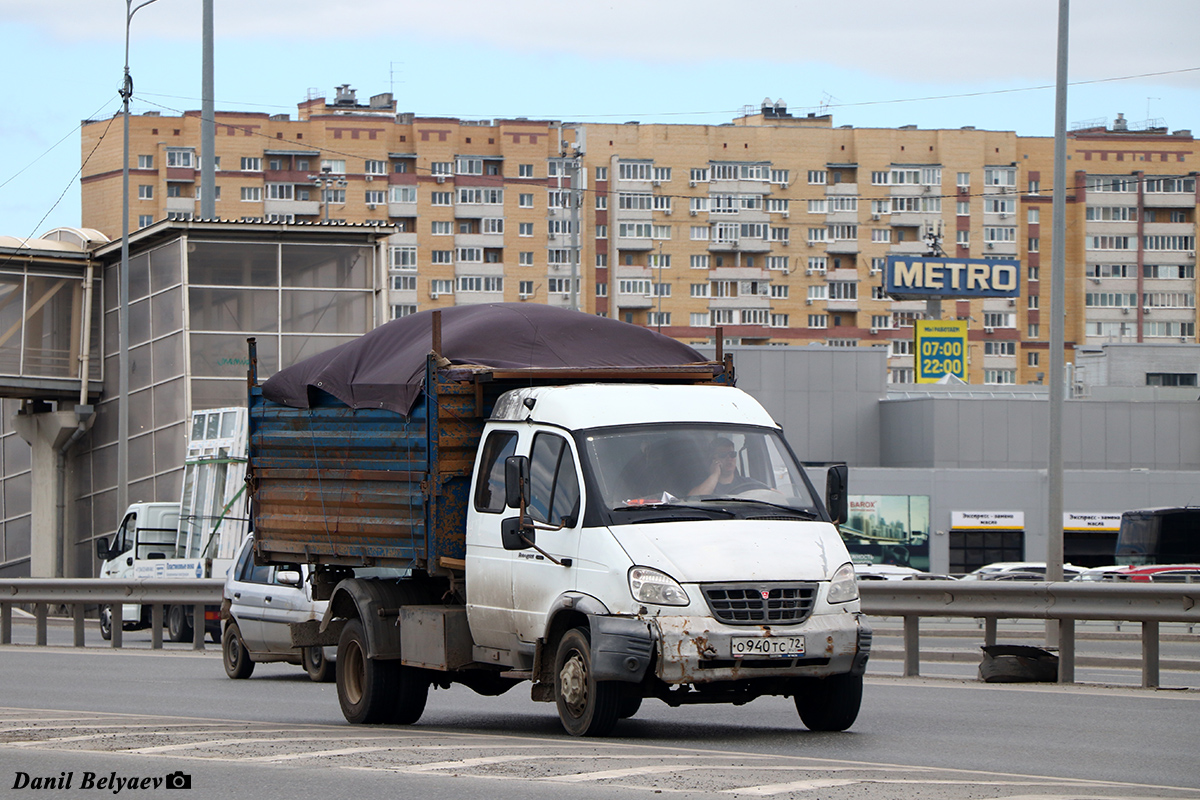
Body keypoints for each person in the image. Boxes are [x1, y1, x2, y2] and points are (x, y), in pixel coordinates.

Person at [688, 438, 766, 496]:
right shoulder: (702, 483)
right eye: (723, 455)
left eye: (732, 454)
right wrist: (715, 475)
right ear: (713, 459)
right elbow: (692, 500)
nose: (729, 458)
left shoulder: (748, 483)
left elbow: (772, 494)